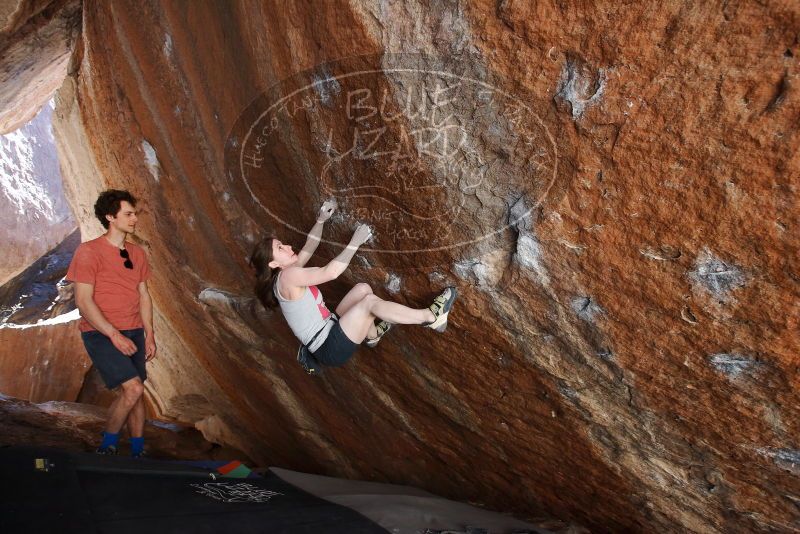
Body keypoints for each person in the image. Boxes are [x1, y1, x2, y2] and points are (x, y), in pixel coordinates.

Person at [249, 200, 457, 369]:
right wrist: (354, 243)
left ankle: (373, 335)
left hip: (329, 328)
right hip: (329, 346)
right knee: (368, 303)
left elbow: (309, 246)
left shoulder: (285, 275)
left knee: (363, 290)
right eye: (280, 248)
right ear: (274, 263)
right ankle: (431, 317)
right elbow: (330, 272)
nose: (287, 246)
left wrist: (321, 220)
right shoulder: (288, 277)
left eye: (282, 244)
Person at [65, 189, 155, 457]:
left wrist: (149, 333)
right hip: (100, 332)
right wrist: (114, 335)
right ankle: (107, 447)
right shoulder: (88, 252)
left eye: (134, 213)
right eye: (128, 214)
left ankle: (137, 452)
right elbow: (83, 301)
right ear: (110, 217)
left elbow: (143, 294)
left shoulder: (137, 253)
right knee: (133, 387)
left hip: (134, 329)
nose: (134, 219)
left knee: (136, 392)